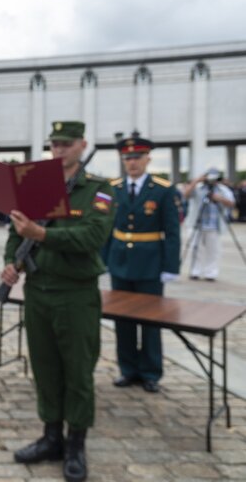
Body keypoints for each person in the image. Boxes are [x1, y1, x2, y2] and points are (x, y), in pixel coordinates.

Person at [0, 121, 114, 482]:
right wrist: (10, 262)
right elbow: (14, 229)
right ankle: (51, 437)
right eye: (55, 144)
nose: (60, 150)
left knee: (77, 370)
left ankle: (75, 443)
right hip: (38, 291)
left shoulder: (99, 190)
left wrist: (43, 235)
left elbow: (93, 235)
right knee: (45, 368)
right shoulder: (36, 186)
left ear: (83, 145)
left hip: (75, 293)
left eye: (67, 144)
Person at [103, 131, 181, 394]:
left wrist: (170, 267)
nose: (132, 163)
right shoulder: (114, 189)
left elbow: (172, 231)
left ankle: (150, 372)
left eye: (137, 157)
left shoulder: (162, 189)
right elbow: (106, 228)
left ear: (147, 159)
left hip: (150, 263)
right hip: (120, 261)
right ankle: (128, 369)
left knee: (150, 320)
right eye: (127, 158)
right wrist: (102, 260)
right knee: (122, 319)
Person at [182, 167, 236, 281]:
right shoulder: (197, 188)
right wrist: (196, 180)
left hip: (214, 225)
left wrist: (219, 199)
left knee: (213, 250)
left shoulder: (223, 190)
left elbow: (232, 203)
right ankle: (195, 271)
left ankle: (211, 273)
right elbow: (185, 195)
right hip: (196, 224)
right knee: (195, 249)